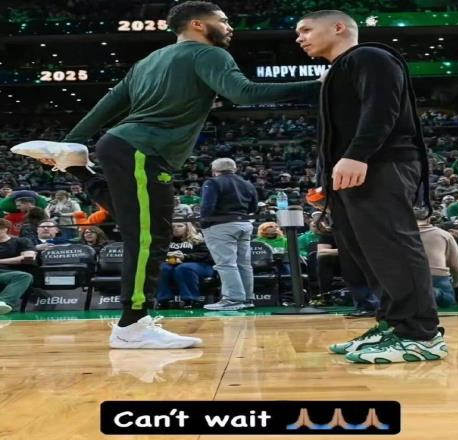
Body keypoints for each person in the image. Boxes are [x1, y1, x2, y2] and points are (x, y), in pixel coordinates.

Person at [13, 1, 320, 348]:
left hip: (121, 145)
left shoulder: (148, 61)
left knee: (134, 223)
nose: (230, 26)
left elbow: (108, 105)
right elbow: (244, 93)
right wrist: (317, 84)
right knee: (150, 237)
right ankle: (132, 324)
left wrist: (70, 141)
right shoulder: (209, 54)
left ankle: (76, 167)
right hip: (144, 149)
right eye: (223, 20)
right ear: (197, 24)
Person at [296, 9, 446, 363]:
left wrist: (357, 154)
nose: (299, 38)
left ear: (338, 27)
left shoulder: (370, 56)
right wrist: (326, 180)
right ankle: (393, 323)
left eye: (306, 30)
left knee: (392, 247)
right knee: (367, 252)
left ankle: (420, 334)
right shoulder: (339, 69)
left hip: (382, 163)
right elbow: (335, 133)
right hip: (355, 169)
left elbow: (382, 108)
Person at [201, 158, 257, 311]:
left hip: (221, 225)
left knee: (226, 263)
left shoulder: (213, 182)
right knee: (244, 264)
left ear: (214, 170)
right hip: (244, 224)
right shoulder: (247, 183)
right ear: (235, 168)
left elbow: (207, 206)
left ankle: (233, 299)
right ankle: (247, 299)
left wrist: (204, 224)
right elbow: (253, 207)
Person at [415, 208, 458, 307]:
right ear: (429, 218)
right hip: (437, 275)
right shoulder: (444, 234)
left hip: (406, 276)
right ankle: (433, 293)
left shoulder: (397, 234)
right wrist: (456, 281)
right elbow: (456, 265)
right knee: (448, 300)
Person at [157, 222, 214, 307]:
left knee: (184, 268)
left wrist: (185, 257)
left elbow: (205, 255)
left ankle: (190, 299)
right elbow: (159, 255)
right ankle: (164, 300)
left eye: (180, 226)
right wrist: (170, 257)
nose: (176, 228)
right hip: (174, 264)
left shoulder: (198, 239)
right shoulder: (166, 241)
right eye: (173, 226)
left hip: (201, 265)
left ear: (188, 227)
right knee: (163, 267)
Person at [0, 218, 35, 314]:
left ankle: (3, 302)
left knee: (24, 276)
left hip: (9, 274)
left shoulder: (21, 241)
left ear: (5, 229)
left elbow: (28, 258)